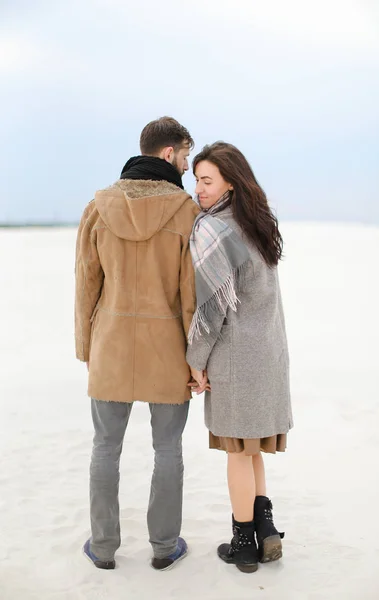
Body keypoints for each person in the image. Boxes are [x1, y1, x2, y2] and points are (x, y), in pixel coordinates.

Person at [74, 117, 200, 571]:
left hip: (111, 343)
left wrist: (87, 346)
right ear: (169, 154)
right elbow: (191, 295)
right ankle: (165, 547)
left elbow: (86, 282)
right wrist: (198, 358)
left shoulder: (98, 205)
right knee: (168, 449)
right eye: (186, 156)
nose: (187, 165)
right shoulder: (186, 211)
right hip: (168, 348)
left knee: (105, 448)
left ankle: (103, 548)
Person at [186, 142, 293, 574]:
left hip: (235, 359)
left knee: (237, 453)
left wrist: (196, 361)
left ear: (230, 180)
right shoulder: (258, 223)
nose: (199, 189)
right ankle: (266, 533)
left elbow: (211, 310)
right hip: (268, 356)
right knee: (253, 452)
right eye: (196, 180)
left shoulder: (215, 229)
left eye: (207, 180)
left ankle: (243, 544)